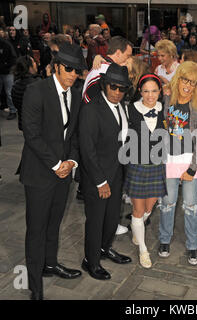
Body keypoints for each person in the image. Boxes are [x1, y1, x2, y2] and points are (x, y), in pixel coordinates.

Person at [20, 43, 86, 300]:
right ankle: (35, 285)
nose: (72, 74)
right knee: (36, 228)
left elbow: (74, 134)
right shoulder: (36, 91)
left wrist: (71, 162)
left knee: (54, 223)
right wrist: (57, 164)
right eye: (68, 68)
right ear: (56, 67)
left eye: (77, 70)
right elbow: (32, 135)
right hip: (39, 173)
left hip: (63, 173)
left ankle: (50, 264)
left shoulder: (76, 94)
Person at [79, 63, 132, 280]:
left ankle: (104, 248)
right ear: (104, 85)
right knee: (96, 219)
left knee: (111, 218)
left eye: (122, 89)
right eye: (113, 87)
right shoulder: (92, 109)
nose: (117, 92)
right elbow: (87, 149)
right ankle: (91, 261)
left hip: (117, 173)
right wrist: (100, 181)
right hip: (98, 177)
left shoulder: (121, 106)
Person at [158, 61, 197, 265]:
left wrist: (192, 169)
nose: (188, 85)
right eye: (185, 80)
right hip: (169, 159)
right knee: (167, 203)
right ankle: (164, 239)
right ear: (178, 78)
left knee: (190, 205)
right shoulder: (167, 99)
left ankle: (192, 244)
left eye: (193, 82)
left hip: (190, 162)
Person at [124, 73, 166, 268]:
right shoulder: (130, 110)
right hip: (136, 166)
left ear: (160, 91)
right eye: (146, 91)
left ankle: (136, 227)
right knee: (138, 210)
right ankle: (143, 249)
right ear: (140, 91)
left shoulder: (165, 110)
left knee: (150, 208)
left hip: (157, 166)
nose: (150, 96)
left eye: (154, 91)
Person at [82, 35, 133, 103]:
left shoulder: (104, 66)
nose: (129, 59)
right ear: (118, 53)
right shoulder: (107, 70)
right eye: (128, 56)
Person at [11, 55, 40, 131]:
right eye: (33, 62)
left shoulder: (16, 84)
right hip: (37, 123)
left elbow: (16, 103)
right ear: (29, 67)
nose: (36, 64)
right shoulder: (37, 83)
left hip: (23, 122)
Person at [0, 36, 17, 120]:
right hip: (2, 71)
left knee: (9, 93)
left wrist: (6, 67)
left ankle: (13, 111)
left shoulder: (6, 45)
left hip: (7, 72)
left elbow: (13, 59)